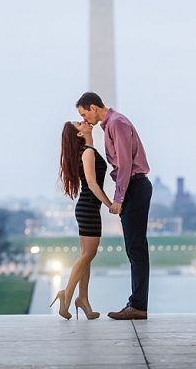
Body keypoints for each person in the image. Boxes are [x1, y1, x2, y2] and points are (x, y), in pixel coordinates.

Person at [76, 92, 152, 320]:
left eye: (83, 114)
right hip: (134, 187)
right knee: (134, 247)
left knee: (136, 248)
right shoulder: (110, 124)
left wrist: (118, 198)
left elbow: (126, 164)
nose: (85, 119)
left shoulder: (116, 123)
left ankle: (138, 305)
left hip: (134, 187)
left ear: (93, 107)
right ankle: (136, 303)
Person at [50, 120, 112, 320]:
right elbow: (93, 185)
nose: (84, 121)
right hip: (88, 208)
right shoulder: (87, 152)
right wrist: (110, 204)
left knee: (87, 255)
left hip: (87, 207)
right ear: (78, 134)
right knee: (88, 255)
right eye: (79, 123)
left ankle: (83, 299)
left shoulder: (88, 151)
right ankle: (66, 295)